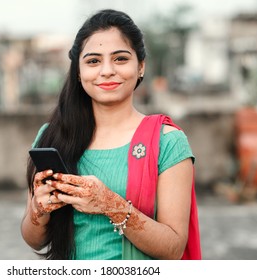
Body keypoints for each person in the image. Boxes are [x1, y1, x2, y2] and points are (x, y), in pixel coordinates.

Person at [21, 9, 200, 260]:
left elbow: (173, 249)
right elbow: (34, 240)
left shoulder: (167, 142)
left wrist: (110, 204)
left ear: (141, 66)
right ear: (78, 71)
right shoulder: (53, 136)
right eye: (93, 61)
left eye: (120, 59)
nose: (106, 71)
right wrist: (39, 209)